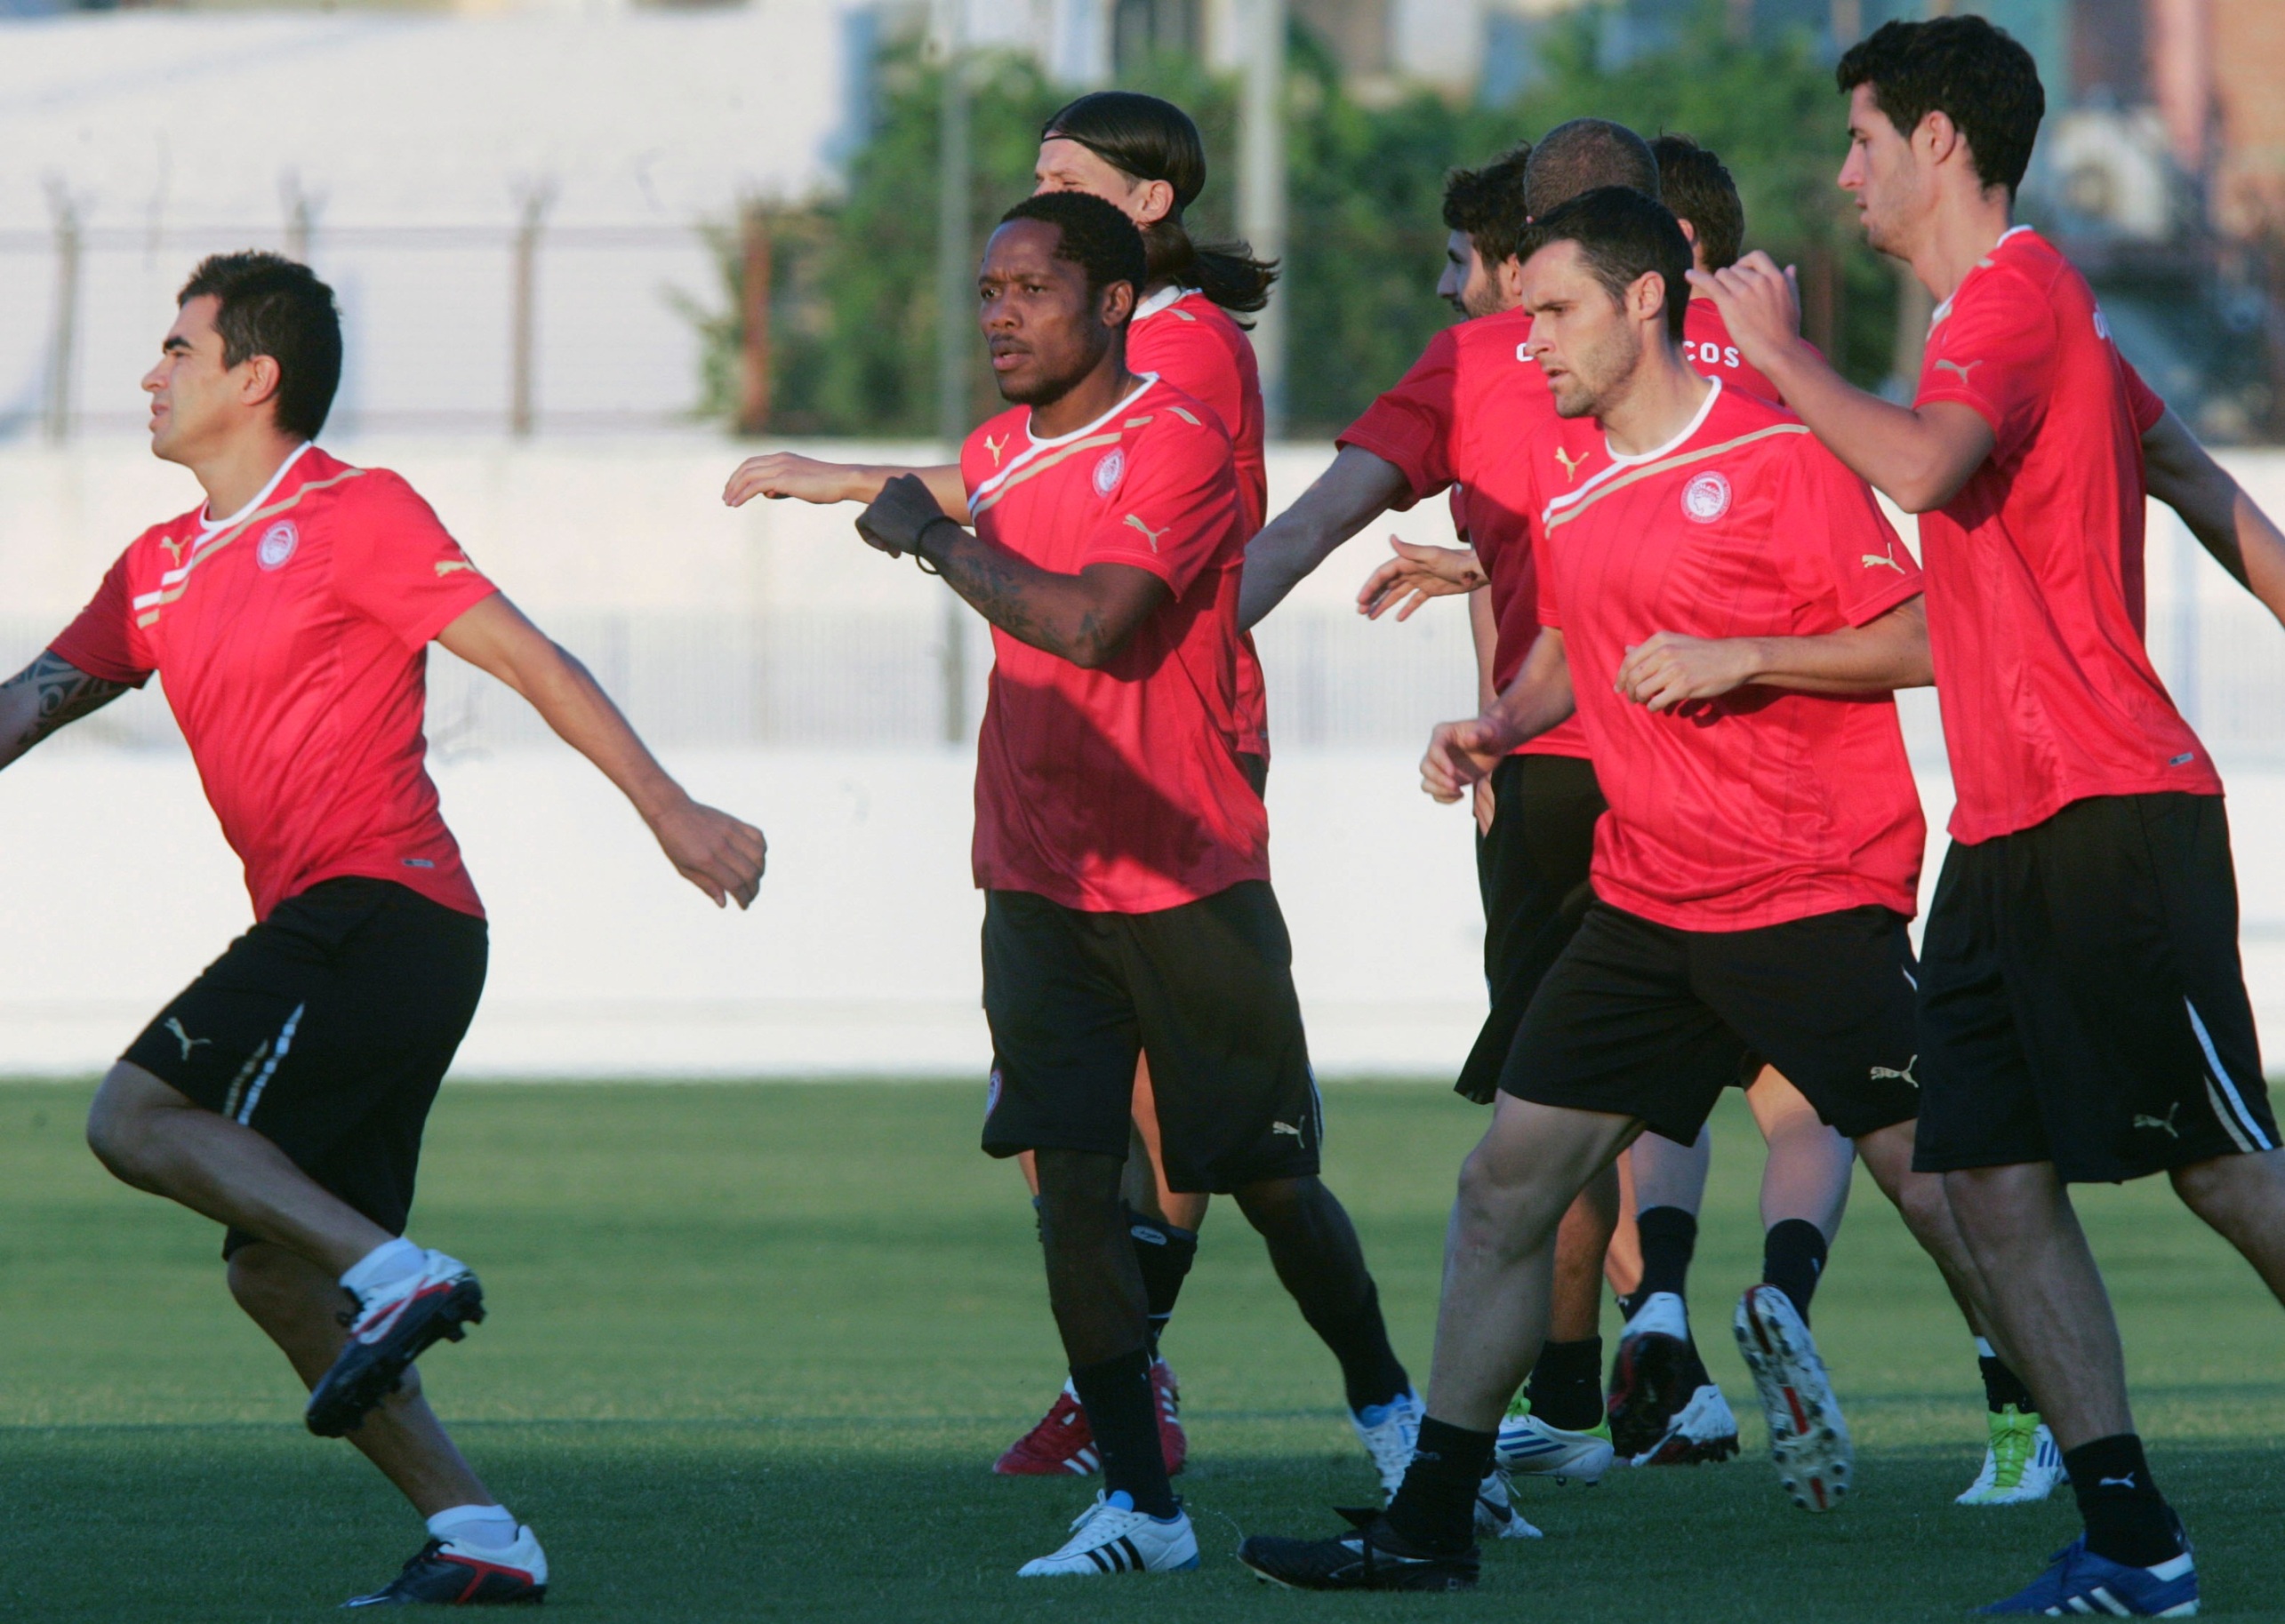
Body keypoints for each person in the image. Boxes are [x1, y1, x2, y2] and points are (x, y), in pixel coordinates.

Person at [1237, 186, 2000, 1591]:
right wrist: (1498, 725)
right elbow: (1582, 652)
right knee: (1501, 1192)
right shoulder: (1575, 494)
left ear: (1645, 301)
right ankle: (1432, 1524)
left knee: (1960, 1194)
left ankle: (2108, 1494)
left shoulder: (1778, 454)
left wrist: (1740, 658)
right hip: (1645, 905)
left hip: (1803, 895)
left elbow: (1927, 637)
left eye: (1550, 309)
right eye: (1519, 310)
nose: (1523, 340)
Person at [2, 252, 766, 1607]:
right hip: (347, 929)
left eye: (177, 349)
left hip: (387, 908)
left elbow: (529, 657)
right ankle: (482, 1535)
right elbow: (35, 698)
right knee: (273, 1275)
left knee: (135, 1118)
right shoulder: (157, 569)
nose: (150, 374)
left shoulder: (355, 512)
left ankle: (403, 1272)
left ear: (257, 375)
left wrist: (672, 811)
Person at [1694, 14, 2285, 1612]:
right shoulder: (2046, 323)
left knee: (2224, 1169)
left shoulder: (2010, 304)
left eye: (1863, 140)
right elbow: (2195, 480)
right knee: (1984, 1184)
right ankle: (2131, 1540)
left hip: (2110, 815)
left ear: (1939, 142)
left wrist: (1779, 352)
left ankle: (2128, 1537)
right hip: (2008, 832)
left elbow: (1918, 461)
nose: (1845, 174)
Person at [830, 190, 1422, 1577]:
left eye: (1031, 288)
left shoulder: (1174, 442)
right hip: (1035, 882)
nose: (1000, 316)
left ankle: (1393, 1417)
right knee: (1074, 1194)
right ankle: (1145, 1508)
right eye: (987, 291)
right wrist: (926, 516)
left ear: (1110, 302)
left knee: (1272, 1184)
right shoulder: (989, 451)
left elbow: (1095, 626)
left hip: (1184, 874)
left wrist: (927, 537)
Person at [721, 92, 1284, 1482]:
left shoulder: (1179, 349)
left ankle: (1139, 1385)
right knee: (1074, 1104)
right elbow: (1023, 478)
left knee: (1144, 1109)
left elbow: (1106, 540)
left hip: (1159, 739)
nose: (1033, 208)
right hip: (1077, 741)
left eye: (1062, 182)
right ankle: (1122, 1384)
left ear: (1142, 211)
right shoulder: (1120, 346)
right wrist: (848, 482)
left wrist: (881, 501)